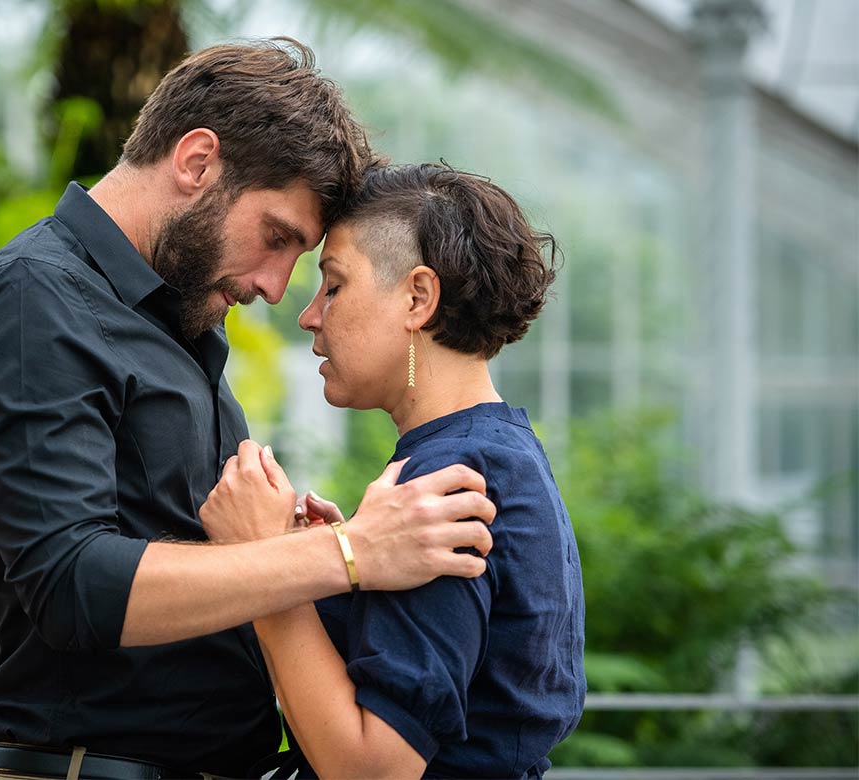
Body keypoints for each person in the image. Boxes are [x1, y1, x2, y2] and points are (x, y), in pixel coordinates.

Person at [0, 40, 498, 780]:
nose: (275, 286)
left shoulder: (181, 317)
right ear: (196, 161)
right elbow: (71, 583)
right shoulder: (33, 303)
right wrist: (347, 554)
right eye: (276, 237)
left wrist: (281, 543)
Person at [201, 163, 587, 779]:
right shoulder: (495, 451)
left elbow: (373, 770)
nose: (308, 315)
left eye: (333, 286)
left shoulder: (452, 474)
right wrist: (329, 567)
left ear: (417, 298)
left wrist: (267, 568)